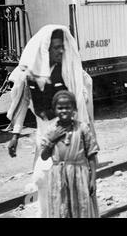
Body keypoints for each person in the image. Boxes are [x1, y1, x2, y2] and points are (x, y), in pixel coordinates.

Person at [6, 24, 97, 218]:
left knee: (68, 186)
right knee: (42, 181)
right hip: (44, 136)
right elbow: (24, 102)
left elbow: (83, 107)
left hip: (69, 140)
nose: (61, 51)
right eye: (56, 47)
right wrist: (15, 135)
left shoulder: (71, 73)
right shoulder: (30, 75)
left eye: (62, 46)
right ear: (46, 49)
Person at [41, 90, 99, 218]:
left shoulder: (82, 128)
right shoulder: (51, 130)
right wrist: (52, 140)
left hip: (80, 174)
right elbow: (44, 157)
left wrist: (93, 179)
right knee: (61, 209)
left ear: (74, 109)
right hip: (58, 176)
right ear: (54, 110)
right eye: (60, 108)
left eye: (68, 107)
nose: (64, 111)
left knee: (81, 207)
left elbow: (92, 155)